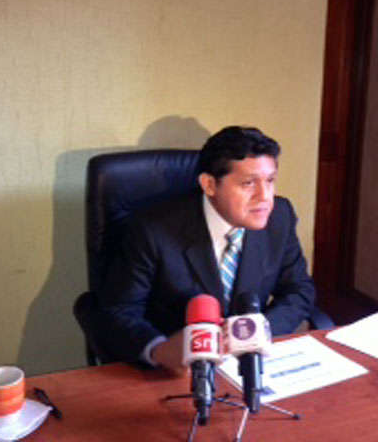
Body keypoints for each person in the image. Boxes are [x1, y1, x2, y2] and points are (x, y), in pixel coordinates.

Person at [96, 126, 316, 373]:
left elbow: (299, 290)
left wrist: (258, 333)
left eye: (270, 180)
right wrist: (160, 350)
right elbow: (119, 310)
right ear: (210, 184)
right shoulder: (153, 231)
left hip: (249, 366)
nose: (265, 197)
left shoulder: (280, 217)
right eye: (248, 183)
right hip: (178, 372)